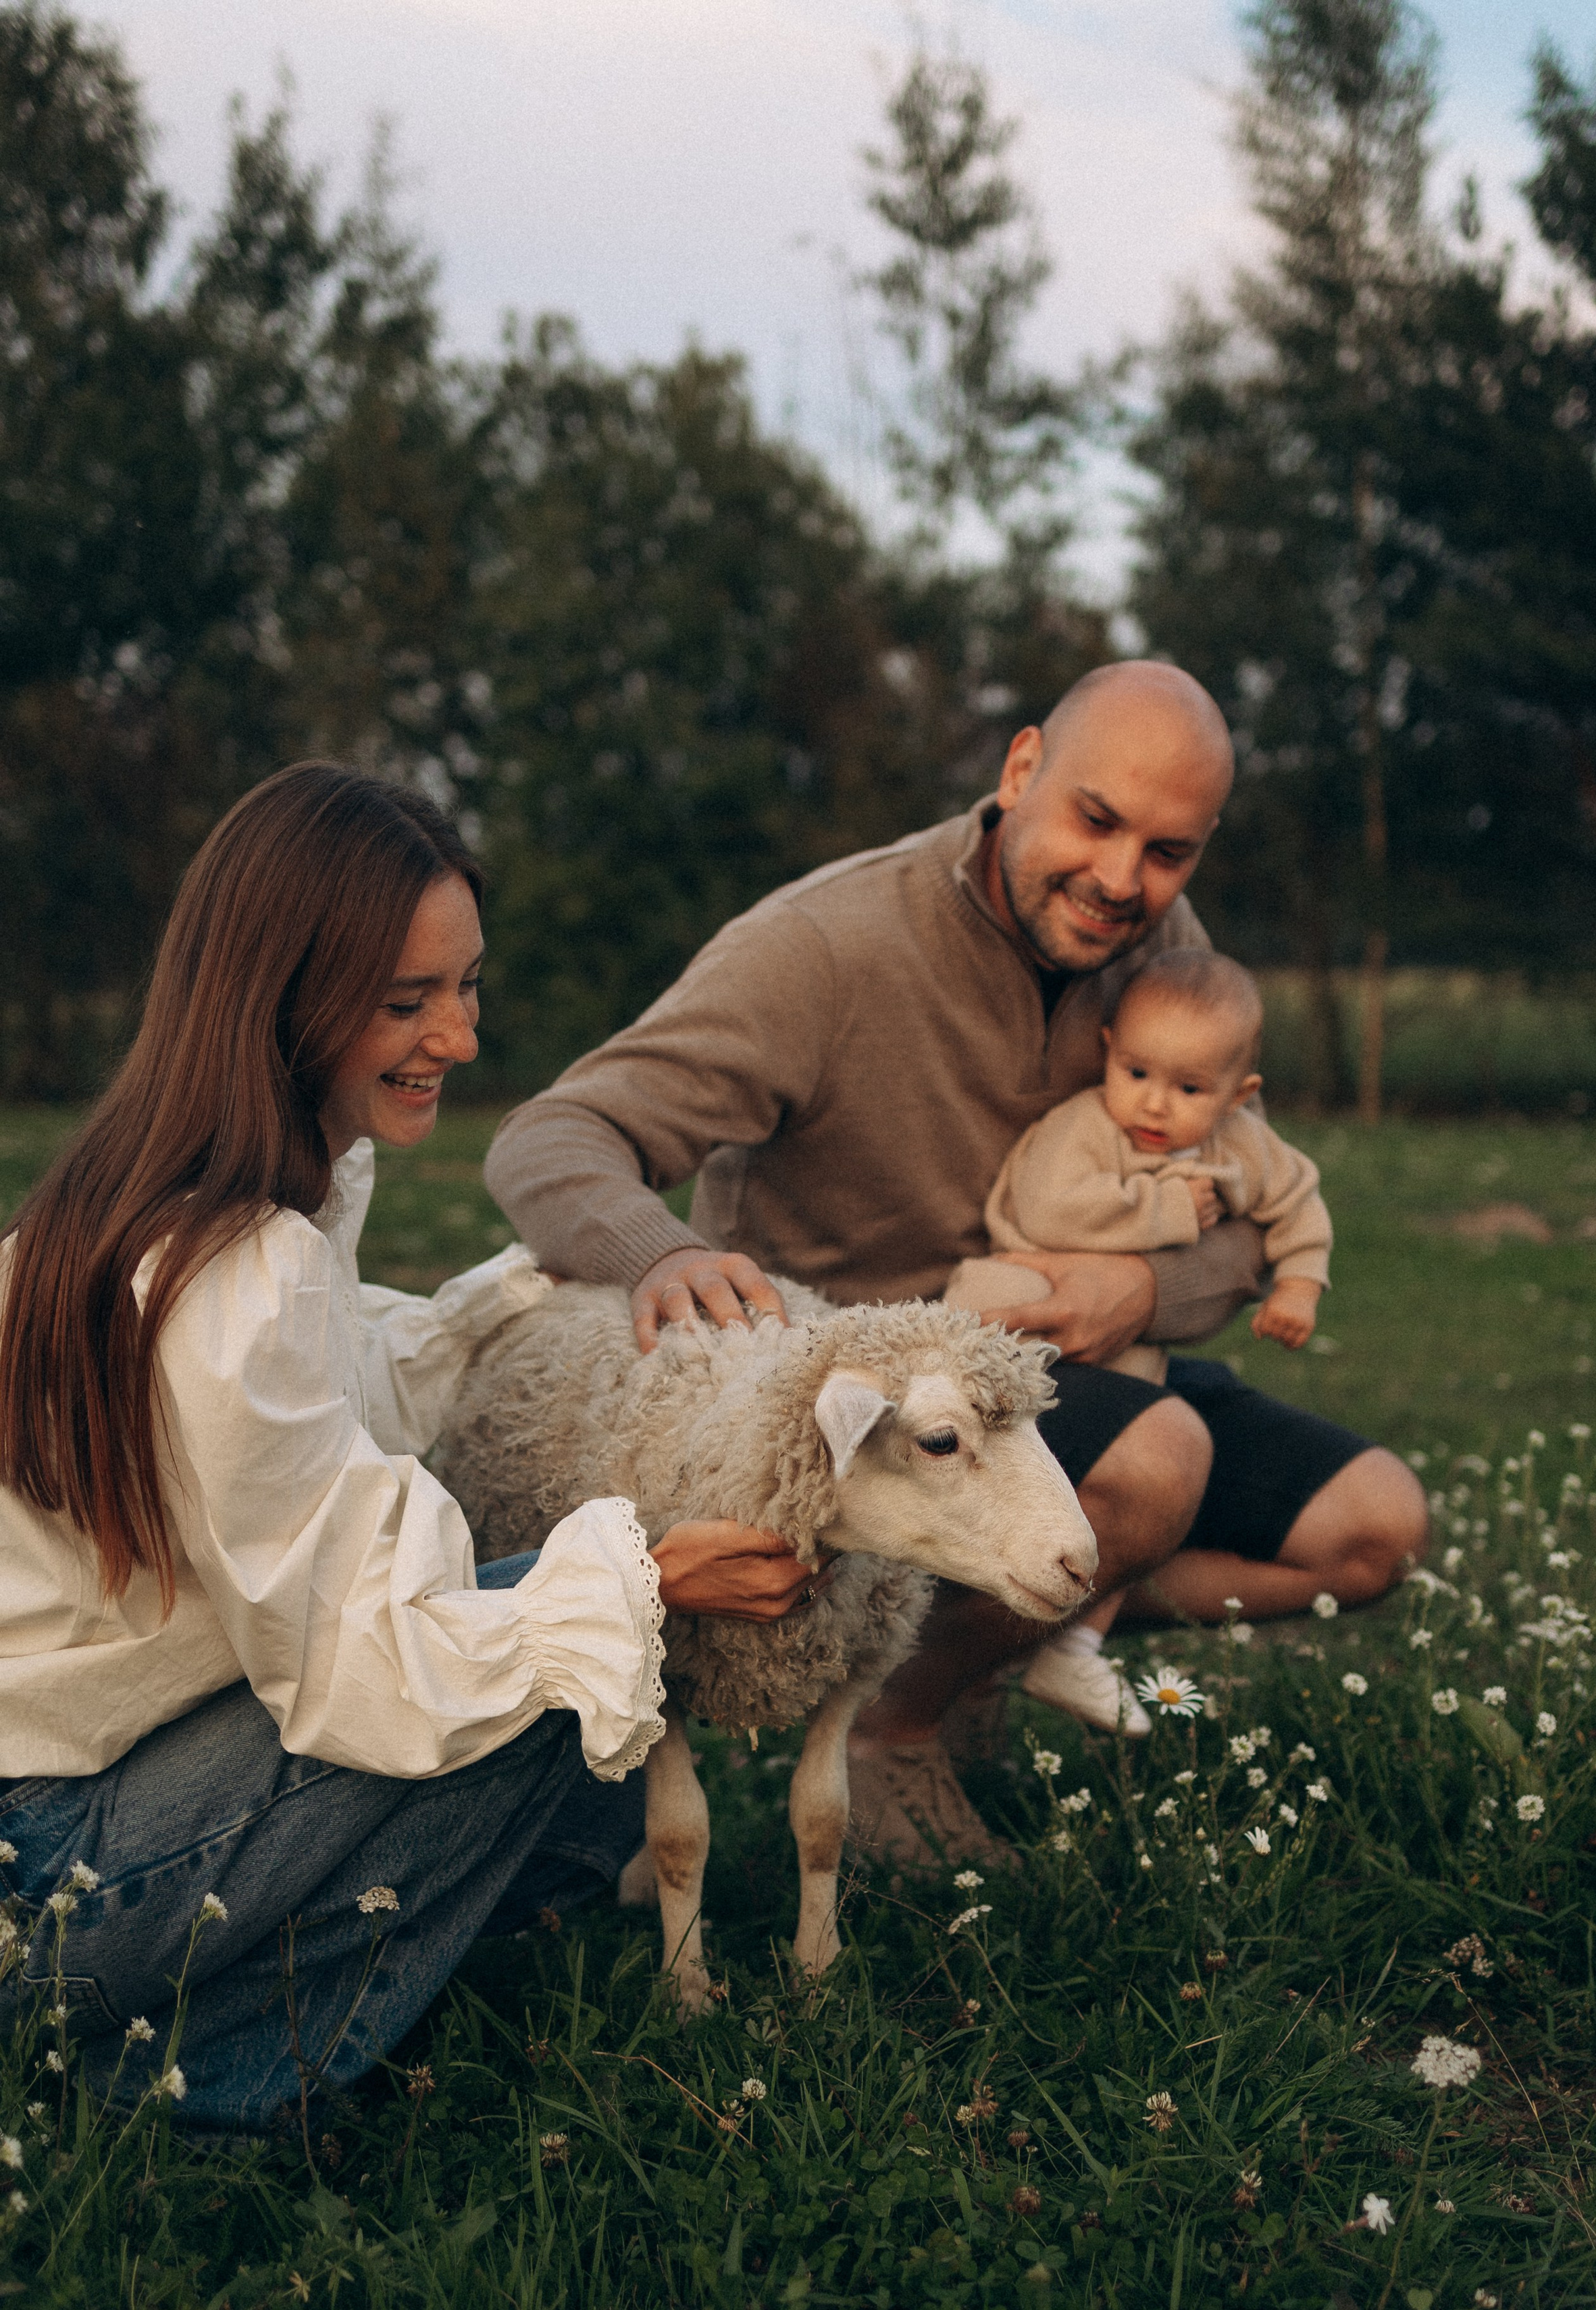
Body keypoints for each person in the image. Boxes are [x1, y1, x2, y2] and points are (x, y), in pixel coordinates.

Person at [484, 661, 1427, 1869]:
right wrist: (659, 1249)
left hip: (1075, 1358)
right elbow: (553, 1137)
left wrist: (1145, 1290)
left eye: (1170, 850)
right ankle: (893, 1727)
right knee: (1156, 1460)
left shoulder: (1158, 950)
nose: (1123, 880)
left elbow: (1243, 1189)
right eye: (1096, 820)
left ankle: (991, 1637)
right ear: (1021, 769)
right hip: (884, 1394)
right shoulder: (823, 947)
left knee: (1373, 1530)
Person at [0, 763, 815, 2126]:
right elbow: (351, 1671)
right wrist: (641, 1586)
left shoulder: (146, 1203)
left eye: (466, 986)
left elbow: (328, 1405)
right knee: (551, 1654)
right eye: (405, 1002)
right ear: (281, 996)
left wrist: (529, 1292)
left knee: (560, 1703)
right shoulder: (235, 1274)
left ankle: (353, 1967)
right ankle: (201, 2094)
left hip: (56, 1802)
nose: (462, 1035)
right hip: (54, 1874)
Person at [946, 946, 1333, 1732]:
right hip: (1015, 1311)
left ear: (1239, 1094)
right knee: (1001, 1465)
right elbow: (1054, 1211)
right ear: (1108, 1053)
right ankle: (951, 1653)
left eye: (1188, 1089)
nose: (1154, 1105)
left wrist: (1298, 1283)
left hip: (1127, 1348)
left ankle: (1072, 1650)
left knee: (1144, 1498)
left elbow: (1297, 1202)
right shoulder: (1082, 1127)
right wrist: (1167, 1212)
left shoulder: (1244, 1147)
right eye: (1137, 1074)